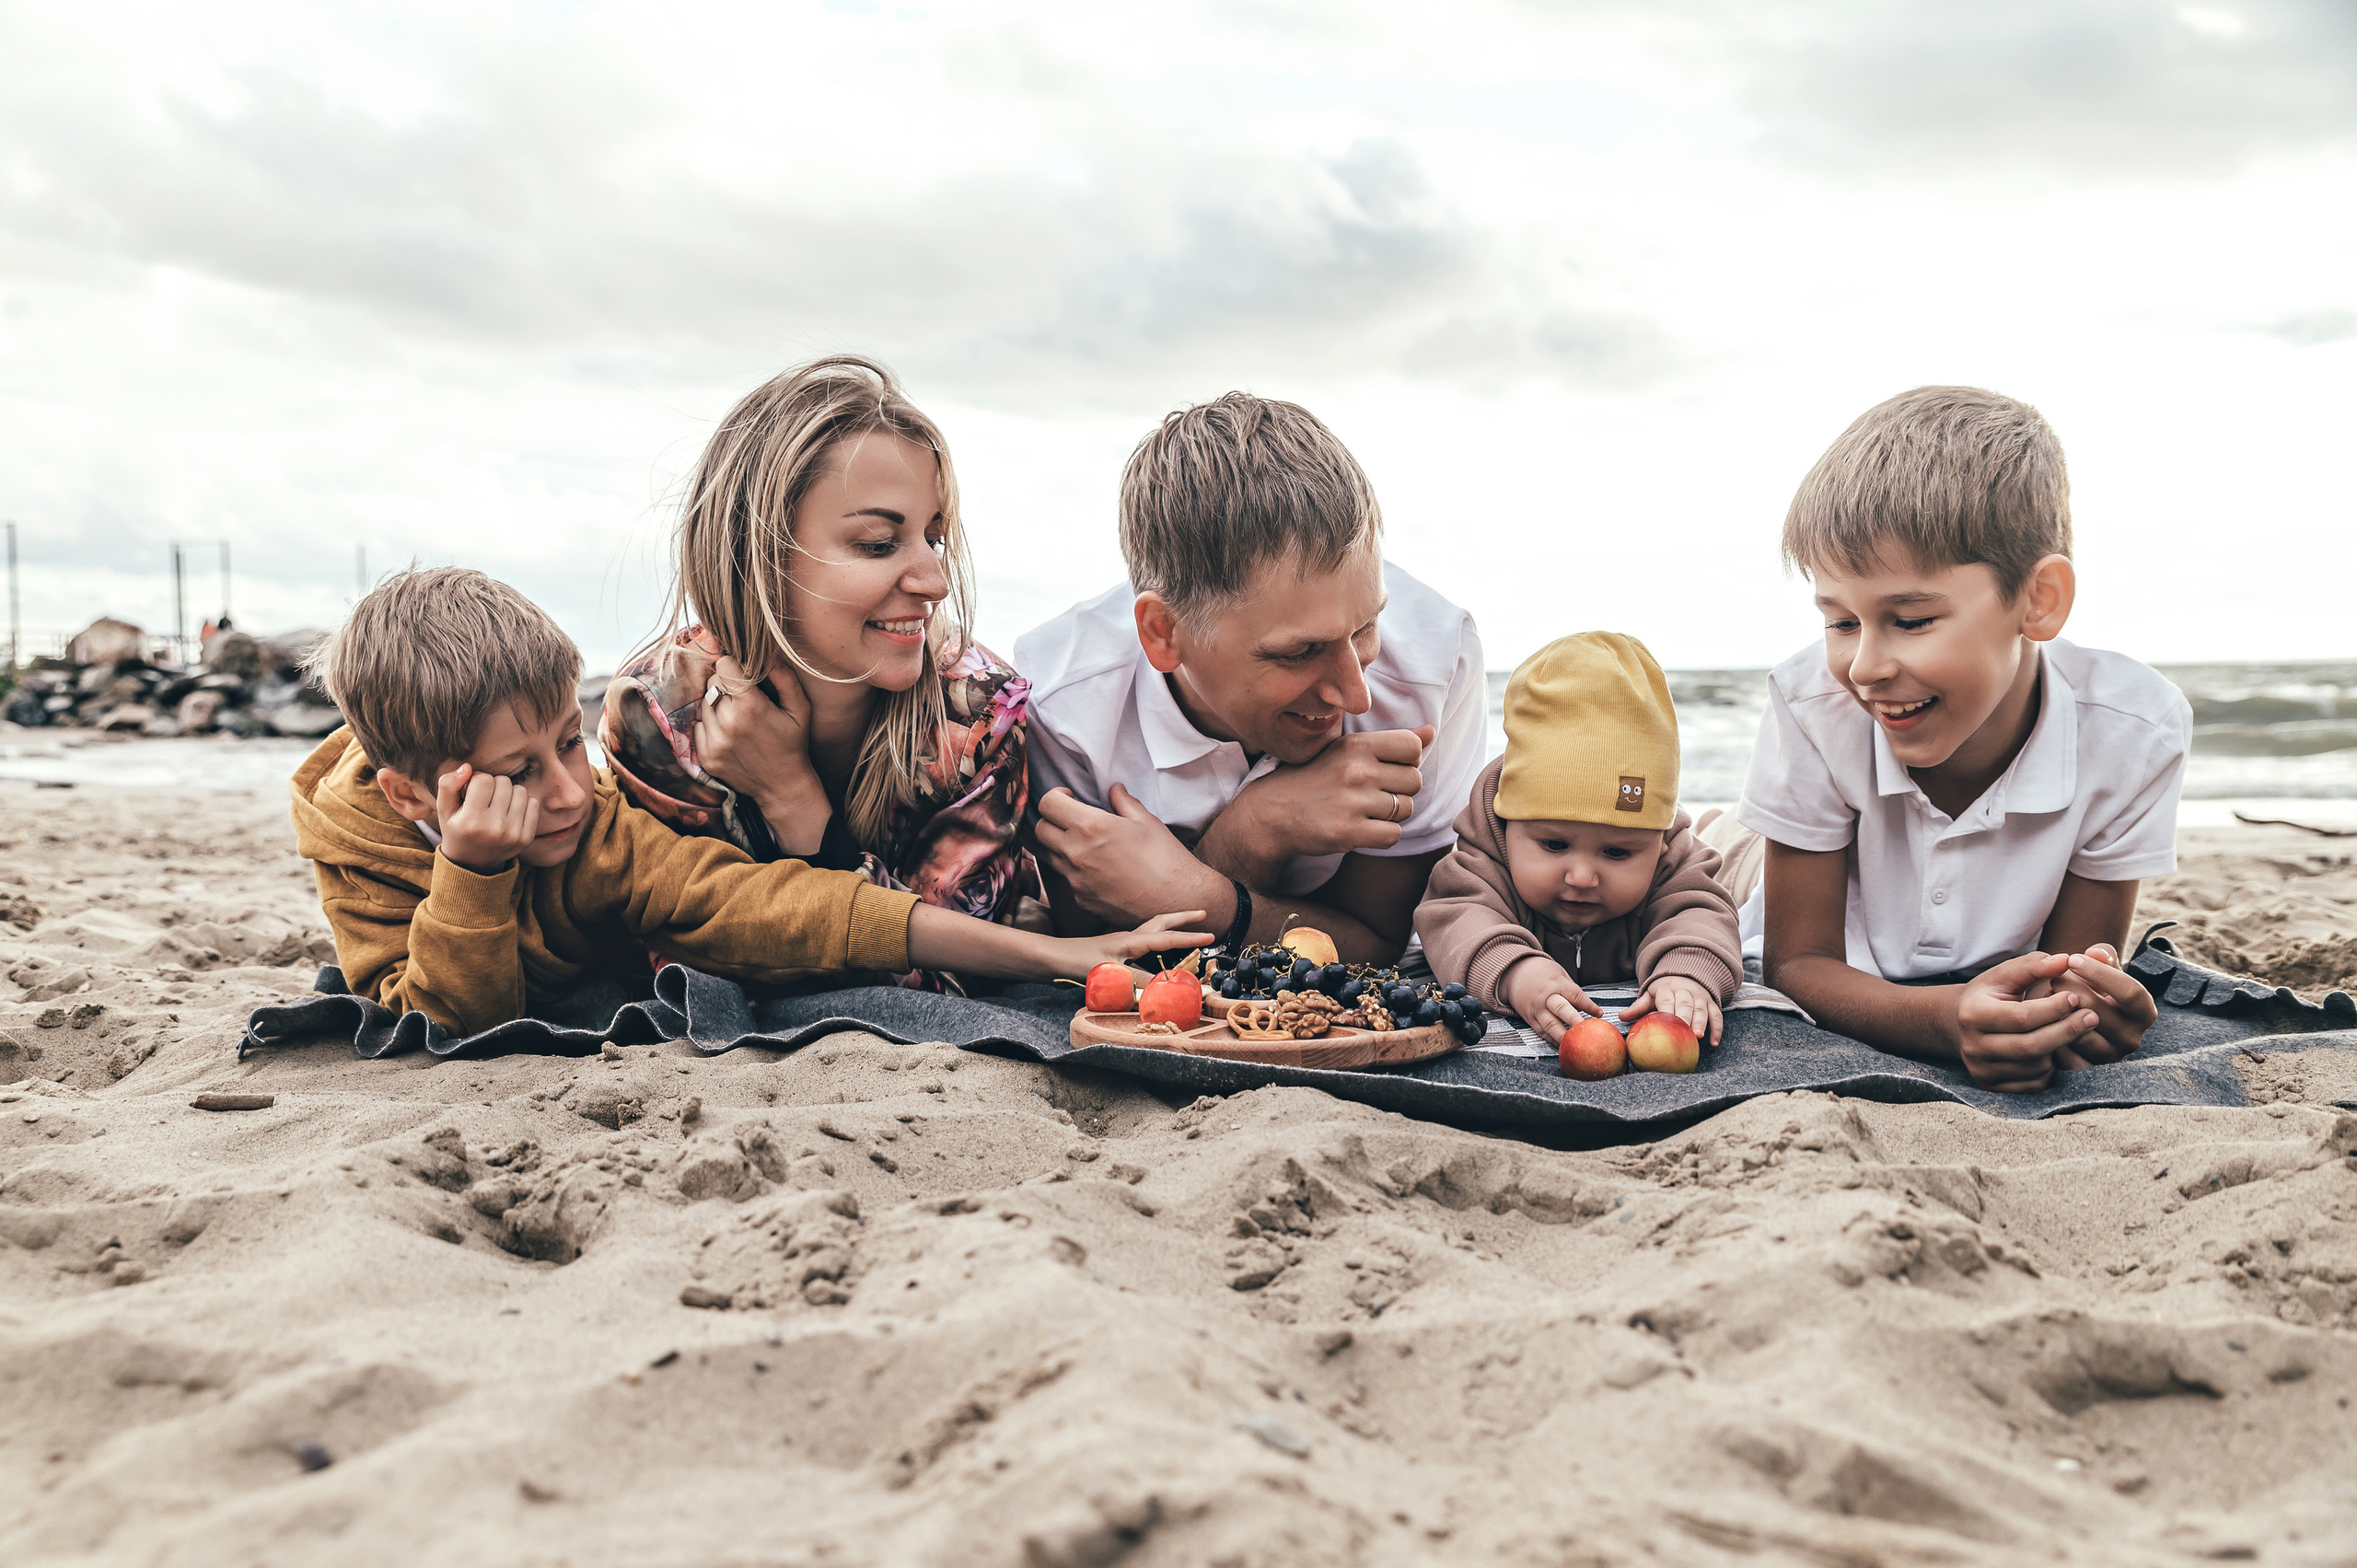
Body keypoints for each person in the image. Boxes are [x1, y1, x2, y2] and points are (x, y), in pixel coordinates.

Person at [291, 568, 1206, 1037]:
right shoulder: (360, 849)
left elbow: (780, 907)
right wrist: (471, 871)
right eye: (519, 772)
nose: (573, 790)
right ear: (412, 791)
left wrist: (1048, 951)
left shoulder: (599, 832)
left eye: (569, 741)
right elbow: (436, 1025)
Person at [1723, 386, 2191, 1092]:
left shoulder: (2135, 732)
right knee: (1704, 860)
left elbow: (2066, 973)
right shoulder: (1811, 703)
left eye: (1910, 620)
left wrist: (2081, 1009)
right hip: (1749, 878)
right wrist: (1946, 1018)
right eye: (1841, 621)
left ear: (2038, 601)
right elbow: (1797, 963)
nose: (1866, 666)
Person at [598, 355, 1039, 990]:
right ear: (758, 555)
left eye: (934, 538)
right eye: (879, 544)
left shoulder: (978, 718)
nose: (936, 581)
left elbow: (946, 983)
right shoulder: (661, 721)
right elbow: (694, 958)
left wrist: (795, 804)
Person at [1017, 391, 1486, 965]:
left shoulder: (1434, 664)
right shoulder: (1063, 703)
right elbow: (1106, 959)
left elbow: (1376, 949)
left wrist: (1212, 876)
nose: (1355, 693)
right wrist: (1253, 835)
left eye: (1366, 625)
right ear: (1163, 633)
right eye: (1299, 653)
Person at [1417, 633, 1742, 1047]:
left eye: (1616, 851)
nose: (1583, 876)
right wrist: (1516, 971)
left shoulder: (1672, 861)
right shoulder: (1484, 863)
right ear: (1506, 826)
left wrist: (1686, 971)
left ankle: (1726, 827)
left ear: (1659, 844)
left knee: (1726, 856)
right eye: (1554, 845)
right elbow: (1453, 917)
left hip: (1725, 853)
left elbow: (1703, 910)